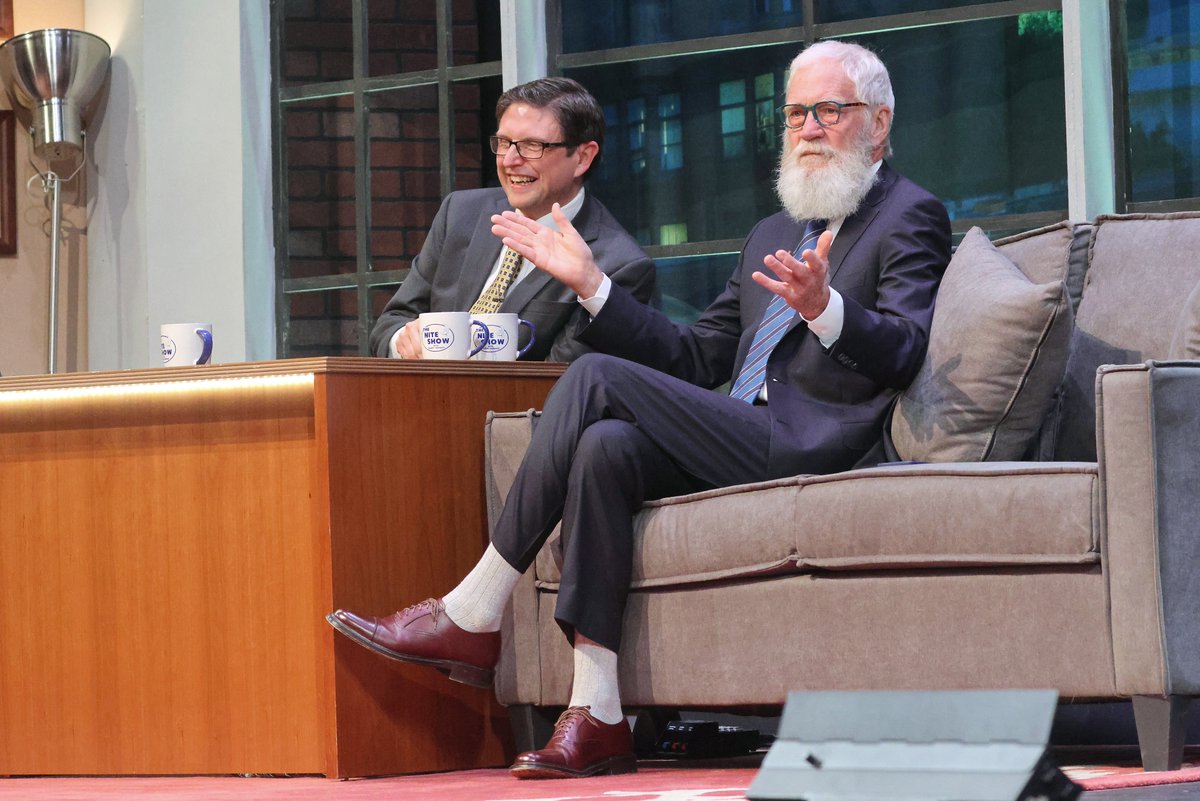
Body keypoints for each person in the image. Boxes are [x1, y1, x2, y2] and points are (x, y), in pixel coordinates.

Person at [329, 40, 951, 779]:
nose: (808, 127)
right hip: (746, 431)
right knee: (606, 448)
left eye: (828, 111)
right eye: (794, 114)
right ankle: (597, 713)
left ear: (878, 125)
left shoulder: (910, 214)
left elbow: (908, 350)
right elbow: (693, 359)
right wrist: (593, 287)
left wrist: (828, 310)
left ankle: (475, 607)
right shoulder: (772, 232)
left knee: (594, 375)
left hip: (818, 445)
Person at [370, 77, 655, 362]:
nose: (509, 161)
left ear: (582, 157)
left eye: (532, 146)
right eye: (504, 142)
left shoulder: (618, 266)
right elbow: (391, 322)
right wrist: (404, 341)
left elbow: (566, 383)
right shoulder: (460, 212)